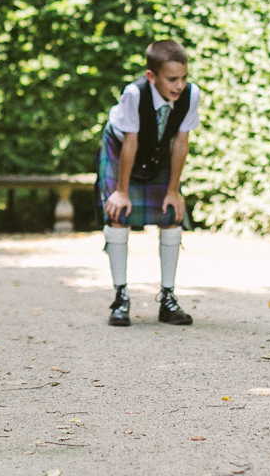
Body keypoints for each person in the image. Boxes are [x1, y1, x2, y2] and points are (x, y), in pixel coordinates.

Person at [97, 40, 202, 327]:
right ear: (151, 77)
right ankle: (121, 298)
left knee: (171, 215)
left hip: (157, 151)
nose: (179, 86)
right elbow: (130, 143)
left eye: (183, 78)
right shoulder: (133, 94)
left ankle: (167, 299)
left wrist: (173, 191)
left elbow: (181, 142)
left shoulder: (191, 95)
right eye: (172, 79)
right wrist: (122, 192)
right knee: (118, 215)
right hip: (121, 150)